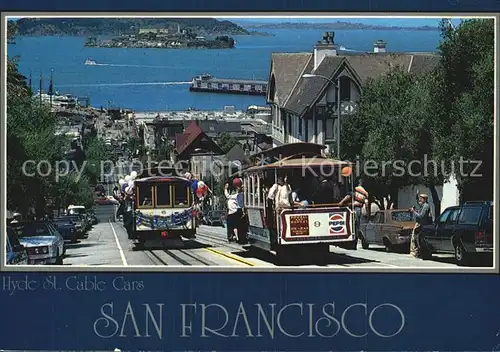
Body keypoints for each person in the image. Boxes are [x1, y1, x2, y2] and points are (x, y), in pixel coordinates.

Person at [409, 193, 433, 258]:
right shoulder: (423, 205)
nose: (420, 199)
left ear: (424, 199)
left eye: (421, 198)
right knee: (416, 239)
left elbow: (421, 216)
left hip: (421, 224)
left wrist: (414, 211)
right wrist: (416, 195)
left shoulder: (425, 206)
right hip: (420, 224)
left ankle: (416, 252)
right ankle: (417, 252)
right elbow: (417, 202)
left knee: (417, 239)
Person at [226, 178, 244, 243]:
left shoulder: (237, 196)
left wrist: (225, 189)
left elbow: (227, 196)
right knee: (234, 226)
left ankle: (233, 237)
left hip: (233, 213)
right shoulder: (237, 195)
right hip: (234, 212)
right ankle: (235, 237)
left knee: (233, 226)